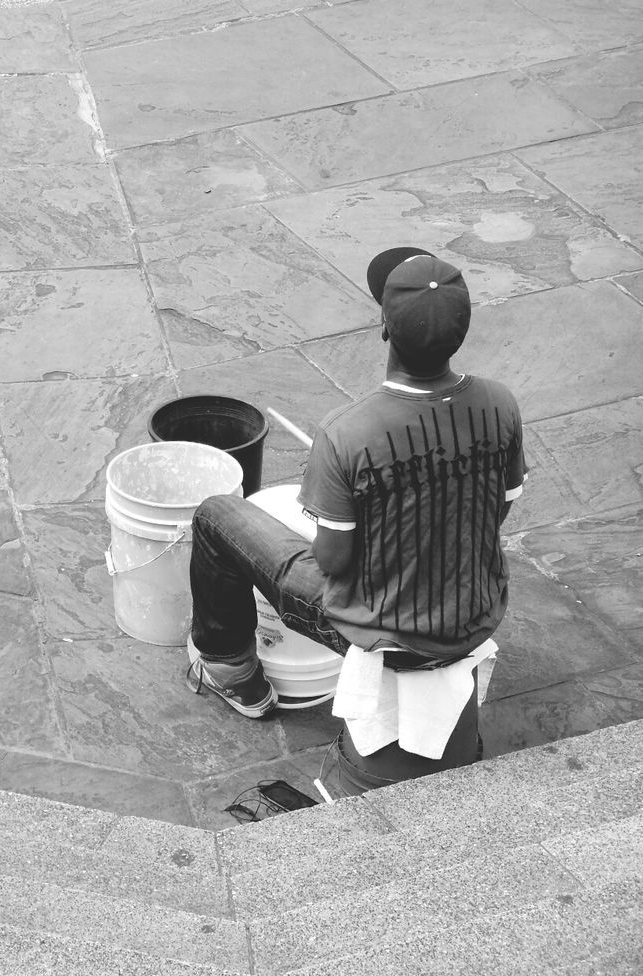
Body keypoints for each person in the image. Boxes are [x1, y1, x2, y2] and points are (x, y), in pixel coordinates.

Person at [186, 248, 527, 718]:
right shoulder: (500, 403)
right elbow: (498, 510)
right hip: (478, 615)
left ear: (384, 326)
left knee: (214, 516)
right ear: (463, 328)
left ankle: (231, 670)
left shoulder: (348, 430)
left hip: (385, 636)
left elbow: (334, 560)